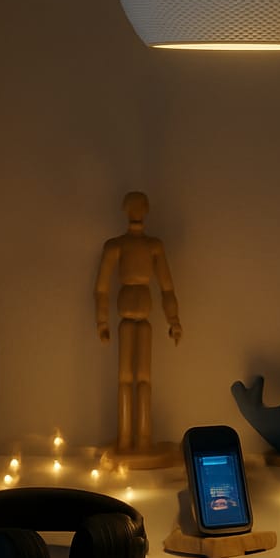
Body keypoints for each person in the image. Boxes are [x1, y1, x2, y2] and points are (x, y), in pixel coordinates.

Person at [94, 191, 182, 455]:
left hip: (144, 319)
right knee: (125, 379)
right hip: (125, 320)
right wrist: (102, 321)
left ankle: (143, 439)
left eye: (139, 207)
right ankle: (124, 439)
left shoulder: (153, 246)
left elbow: (167, 287)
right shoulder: (116, 246)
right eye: (132, 208)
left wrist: (174, 320)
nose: (136, 212)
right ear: (126, 210)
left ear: (146, 210)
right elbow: (102, 288)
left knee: (143, 379)